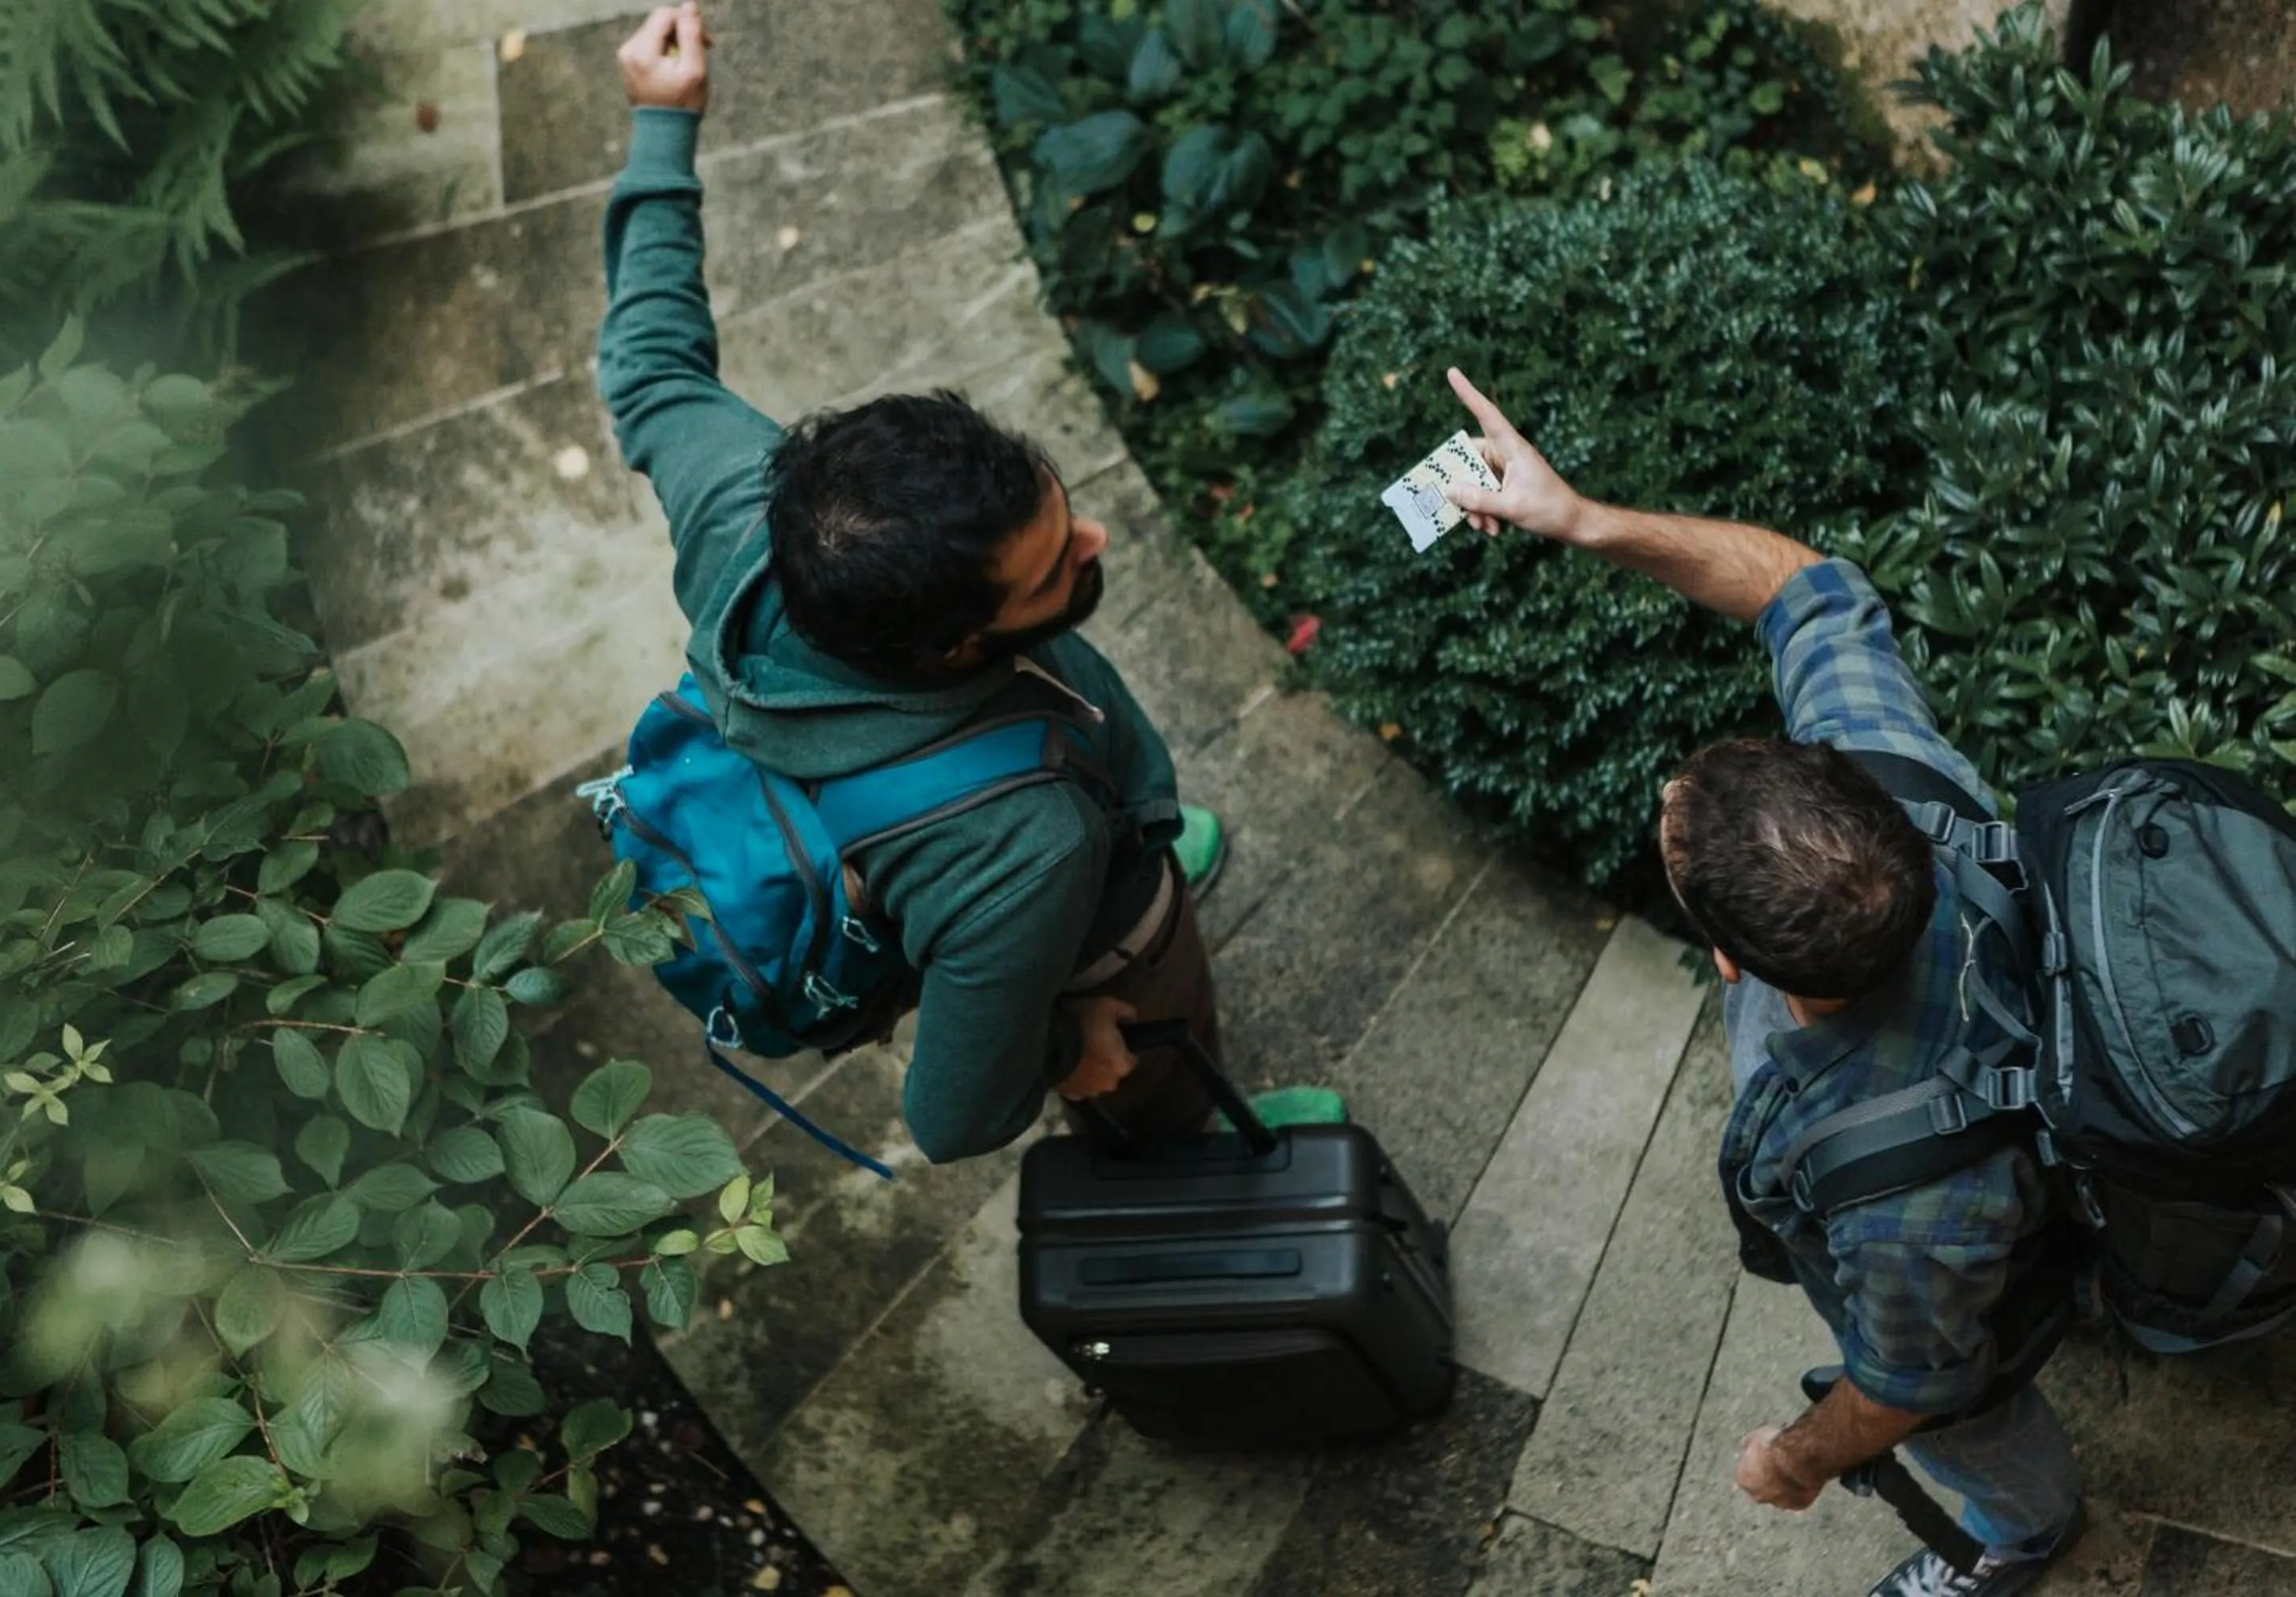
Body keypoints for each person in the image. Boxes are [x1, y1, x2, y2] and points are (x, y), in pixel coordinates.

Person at [597, 6, 1337, 1164]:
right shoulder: (1019, 848)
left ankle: (1139, 830)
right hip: (1092, 926)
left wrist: (660, 122)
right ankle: (1187, 1135)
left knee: (1101, 850)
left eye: (1058, 506)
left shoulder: (762, 515)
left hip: (1042, 837)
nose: (1095, 538)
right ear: (951, 646)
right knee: (1148, 1044)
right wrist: (1064, 1046)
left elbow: (650, 368)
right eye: (1054, 567)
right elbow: (948, 1118)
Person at [1441, 369, 2084, 1597]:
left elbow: (1915, 1381)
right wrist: (1580, 519)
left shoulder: (1907, 1194)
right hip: (2009, 1056)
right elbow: (1804, 587)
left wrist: (1793, 1463)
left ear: (1733, 961)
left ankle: (2030, 1534)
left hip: (1963, 1262)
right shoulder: (1890, 779)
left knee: (1978, 1424)